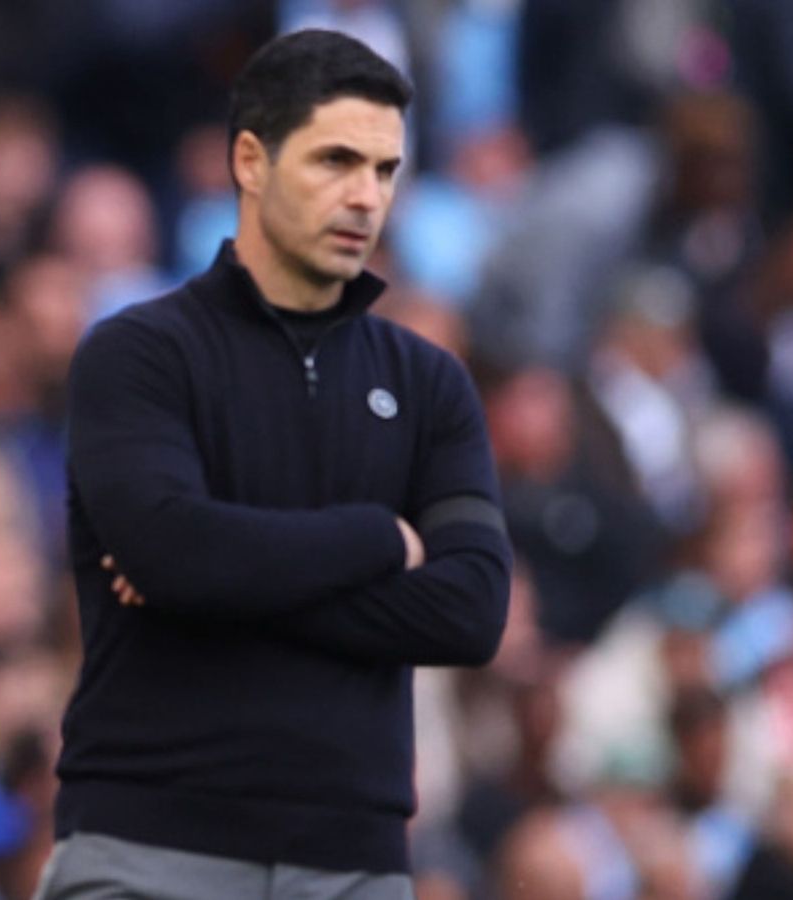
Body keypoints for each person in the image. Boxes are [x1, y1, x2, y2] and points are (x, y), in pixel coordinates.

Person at [36, 29, 513, 900]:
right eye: (336, 160)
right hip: (146, 849)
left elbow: (471, 611)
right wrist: (378, 538)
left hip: (355, 863)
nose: (366, 197)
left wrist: (220, 579)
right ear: (250, 160)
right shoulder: (137, 354)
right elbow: (172, 556)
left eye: (384, 169)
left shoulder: (430, 381)